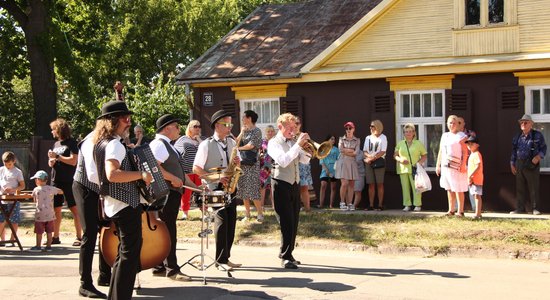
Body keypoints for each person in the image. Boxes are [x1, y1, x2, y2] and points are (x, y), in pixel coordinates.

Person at [92, 100, 152, 300]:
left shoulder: (101, 143)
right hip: (125, 204)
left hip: (115, 203)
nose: (129, 122)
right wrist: (141, 175)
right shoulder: (115, 145)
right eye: (125, 118)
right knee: (129, 256)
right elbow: (112, 174)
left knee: (123, 254)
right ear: (113, 121)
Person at [193, 110, 241, 271]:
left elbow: (237, 162)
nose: (229, 128)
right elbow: (196, 168)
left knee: (231, 222)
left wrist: (236, 161)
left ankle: (226, 257)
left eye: (230, 125)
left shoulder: (232, 143)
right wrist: (215, 177)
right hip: (215, 187)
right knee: (221, 222)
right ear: (217, 126)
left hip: (230, 187)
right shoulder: (206, 144)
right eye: (226, 125)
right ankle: (220, 260)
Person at [150, 114, 195, 281]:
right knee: (169, 231)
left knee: (166, 230)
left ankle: (159, 266)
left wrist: (196, 187)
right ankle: (172, 269)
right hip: (165, 194)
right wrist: (172, 178)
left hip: (172, 193)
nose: (179, 129)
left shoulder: (168, 145)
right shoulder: (159, 145)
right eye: (177, 126)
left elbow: (180, 172)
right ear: (167, 128)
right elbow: (153, 167)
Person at [267, 113, 311, 269]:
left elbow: (304, 160)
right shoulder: (273, 142)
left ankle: (288, 253)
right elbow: (284, 161)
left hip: (294, 183)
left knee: (294, 220)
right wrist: (298, 145)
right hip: (280, 184)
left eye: (294, 127)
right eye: (290, 127)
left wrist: (307, 148)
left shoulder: (293, 142)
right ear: (280, 126)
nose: (293, 130)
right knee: (286, 221)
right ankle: (285, 257)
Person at [73, 132, 111, 298]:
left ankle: (105, 275)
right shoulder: (90, 141)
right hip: (85, 187)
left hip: (97, 189)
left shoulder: (111, 139)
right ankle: (85, 284)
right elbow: (92, 174)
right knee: (89, 233)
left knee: (105, 229)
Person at [48, 118, 82, 246]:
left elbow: (74, 161)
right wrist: (51, 161)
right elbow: (53, 161)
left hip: (69, 180)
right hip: (56, 180)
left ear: (59, 129)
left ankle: (79, 237)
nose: (52, 132)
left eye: (53, 129)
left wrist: (58, 157)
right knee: (56, 209)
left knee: (74, 209)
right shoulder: (56, 145)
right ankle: (55, 237)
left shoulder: (72, 143)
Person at [510, 114, 547, 215]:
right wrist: (512, 163)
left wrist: (538, 157)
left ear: (531, 124)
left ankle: (535, 208)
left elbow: (543, 148)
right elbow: (514, 150)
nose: (523, 124)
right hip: (519, 163)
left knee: (533, 187)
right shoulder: (517, 136)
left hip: (532, 164)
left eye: (525, 122)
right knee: (520, 187)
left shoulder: (537, 135)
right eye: (521, 122)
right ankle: (520, 208)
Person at [436, 115, 469, 217]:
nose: (452, 125)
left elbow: (465, 151)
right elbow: (441, 151)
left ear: (458, 124)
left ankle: (460, 211)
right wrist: (438, 165)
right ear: (447, 124)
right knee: (449, 188)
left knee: (458, 188)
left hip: (457, 166)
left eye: (454, 123)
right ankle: (451, 210)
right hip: (446, 166)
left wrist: (463, 165)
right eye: (450, 123)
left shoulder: (462, 136)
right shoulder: (445, 135)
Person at [173, 119, 204, 220]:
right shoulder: (183, 139)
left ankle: (204, 212)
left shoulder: (202, 140)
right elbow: (175, 153)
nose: (198, 128)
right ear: (189, 128)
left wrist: (198, 140)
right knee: (186, 194)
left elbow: (206, 150)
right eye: (195, 126)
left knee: (202, 192)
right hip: (187, 171)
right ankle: (185, 213)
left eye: (199, 126)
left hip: (199, 171)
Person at [237, 110, 263, 221]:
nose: (242, 119)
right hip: (242, 163)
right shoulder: (245, 131)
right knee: (243, 188)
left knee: (253, 188)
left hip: (252, 164)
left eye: (244, 117)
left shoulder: (257, 131)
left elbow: (251, 145)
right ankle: (247, 214)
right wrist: (242, 132)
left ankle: (260, 213)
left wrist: (238, 149)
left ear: (249, 118)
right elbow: (236, 142)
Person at [394, 123, 427, 211]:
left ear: (414, 133)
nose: (408, 133)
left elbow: (424, 155)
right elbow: (395, 155)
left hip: (415, 169)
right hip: (403, 169)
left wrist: (418, 163)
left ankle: (417, 205)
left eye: (410, 131)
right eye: (406, 132)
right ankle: (407, 205)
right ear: (403, 133)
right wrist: (400, 159)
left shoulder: (418, 143)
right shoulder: (400, 143)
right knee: (405, 188)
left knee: (416, 187)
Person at [29, 170, 63, 252]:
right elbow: (61, 191)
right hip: (50, 214)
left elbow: (34, 199)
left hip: (40, 214)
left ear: (37, 180)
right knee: (49, 231)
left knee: (39, 231)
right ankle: (48, 246)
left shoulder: (36, 189)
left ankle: (38, 245)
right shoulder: (51, 189)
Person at [0, 151, 25, 245]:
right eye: (5, 164)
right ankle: (2, 240)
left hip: (13, 199)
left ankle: (12, 239)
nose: (7, 166)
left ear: (14, 161)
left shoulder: (17, 172)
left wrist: (13, 189)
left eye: (9, 164)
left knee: (14, 220)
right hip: (2, 199)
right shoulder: (1, 170)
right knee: (1, 220)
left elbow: (22, 186)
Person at [335, 122, 360, 211]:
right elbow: (341, 150)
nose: (348, 130)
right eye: (347, 128)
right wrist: (351, 151)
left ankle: (350, 203)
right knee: (344, 183)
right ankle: (342, 202)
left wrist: (347, 151)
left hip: (352, 163)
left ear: (353, 129)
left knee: (351, 185)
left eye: (350, 128)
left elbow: (356, 153)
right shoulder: (341, 139)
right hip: (343, 163)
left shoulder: (357, 140)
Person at [363, 120, 387, 211]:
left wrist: (373, 158)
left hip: (379, 162)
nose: (371, 128)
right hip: (369, 162)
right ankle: (371, 205)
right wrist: (369, 157)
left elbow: (383, 151)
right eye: (370, 126)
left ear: (378, 127)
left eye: (372, 126)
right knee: (371, 184)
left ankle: (380, 205)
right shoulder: (368, 138)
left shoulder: (383, 137)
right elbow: (364, 150)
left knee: (380, 184)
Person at [295, 117, 313, 213]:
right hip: (293, 164)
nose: (296, 125)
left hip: (304, 164)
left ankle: (307, 209)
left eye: (297, 123)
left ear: (300, 125)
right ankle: (296, 208)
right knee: (294, 189)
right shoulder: (289, 136)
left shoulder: (304, 135)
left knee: (304, 188)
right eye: (294, 123)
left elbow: (311, 150)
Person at [465, 135, 484, 219]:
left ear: (477, 145)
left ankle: (477, 213)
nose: (469, 146)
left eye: (471, 144)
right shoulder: (472, 155)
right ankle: (478, 213)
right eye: (468, 144)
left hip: (476, 179)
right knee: (475, 195)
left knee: (477, 196)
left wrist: (470, 175)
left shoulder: (476, 154)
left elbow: (478, 166)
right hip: (473, 179)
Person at [318, 135, 338, 208]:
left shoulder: (336, 150)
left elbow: (338, 160)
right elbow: (321, 160)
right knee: (323, 185)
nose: (333, 140)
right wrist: (326, 170)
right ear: (327, 140)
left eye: (334, 139)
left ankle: (331, 205)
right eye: (331, 139)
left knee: (333, 187)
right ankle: (321, 204)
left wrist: (335, 169)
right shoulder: (323, 149)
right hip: (325, 170)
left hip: (334, 170)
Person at [259, 125, 276, 208]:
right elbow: (259, 153)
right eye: (268, 131)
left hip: (274, 166)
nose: (270, 133)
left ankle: (274, 206)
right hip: (263, 167)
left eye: (272, 131)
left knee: (273, 186)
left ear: (274, 132)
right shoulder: (262, 142)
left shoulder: (276, 142)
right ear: (266, 132)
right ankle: (261, 206)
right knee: (263, 186)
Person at [353, 144, 366, 210]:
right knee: (349, 191)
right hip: (349, 175)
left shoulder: (361, 153)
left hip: (359, 174)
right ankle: (348, 205)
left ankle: (354, 206)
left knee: (358, 191)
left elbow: (366, 160)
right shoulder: (346, 152)